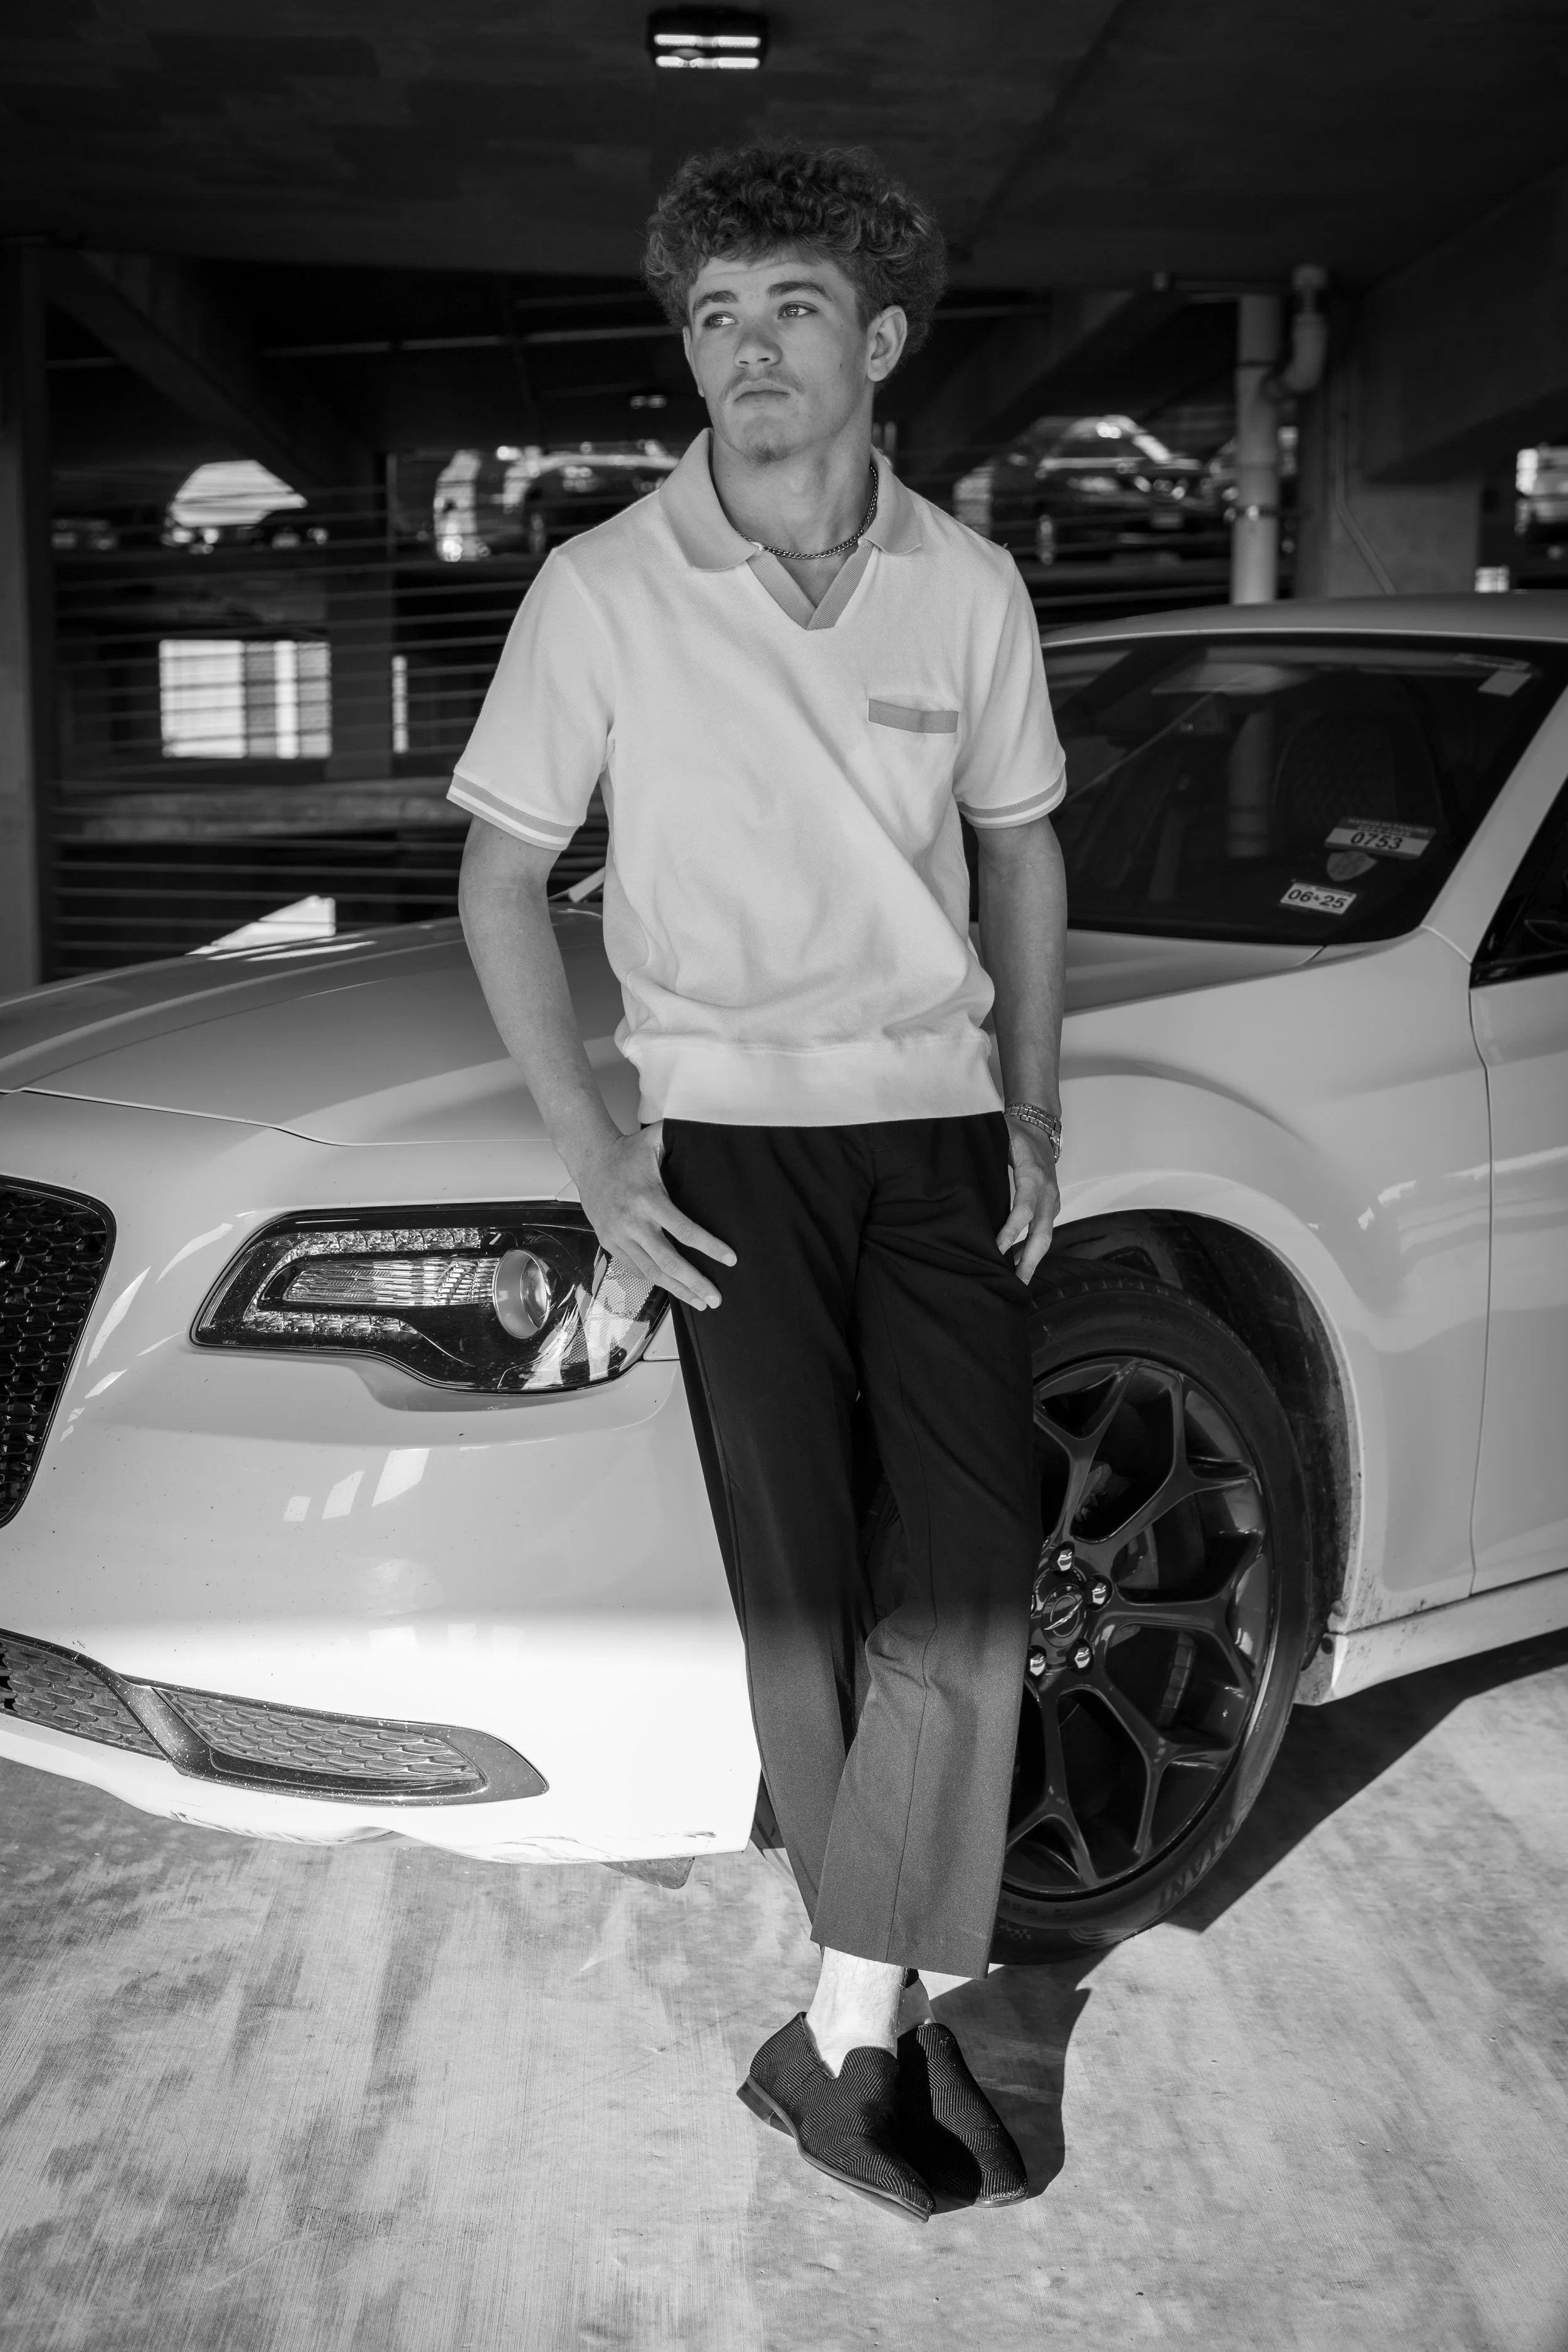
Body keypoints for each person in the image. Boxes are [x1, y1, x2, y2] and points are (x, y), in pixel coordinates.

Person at [453, 140, 1067, 2224]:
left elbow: (1021, 850)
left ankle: (842, 2026)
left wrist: (1036, 1109)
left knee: (974, 1558)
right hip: (723, 1152)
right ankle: (859, 2034)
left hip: (930, 1129)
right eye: (713, 317)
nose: (747, 353)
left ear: (880, 340)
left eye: (791, 307)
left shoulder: (968, 590)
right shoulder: (605, 588)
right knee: (807, 1593)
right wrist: (594, 1152)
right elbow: (500, 870)